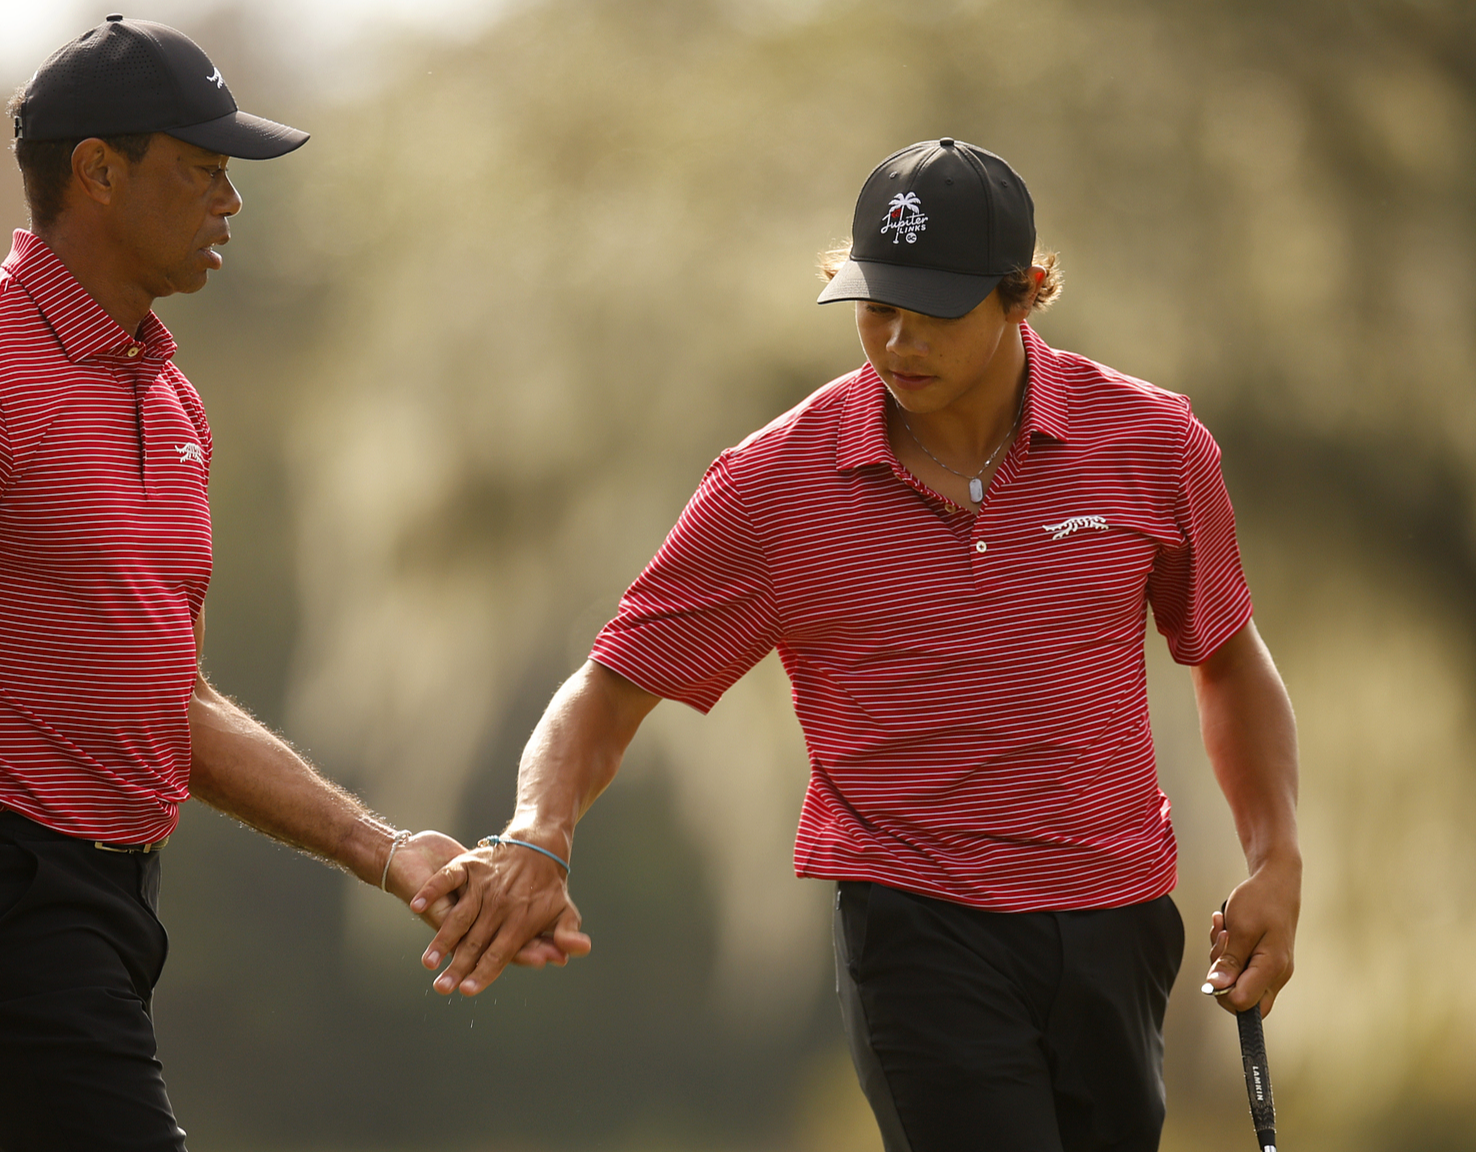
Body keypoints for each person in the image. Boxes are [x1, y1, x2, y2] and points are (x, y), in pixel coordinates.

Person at [411, 138, 1300, 1151]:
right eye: (875, 306)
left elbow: (1226, 655)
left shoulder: (1148, 443)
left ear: (1024, 294)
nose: (896, 341)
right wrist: (537, 833)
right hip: (919, 928)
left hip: (1115, 921)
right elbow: (606, 694)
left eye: (933, 311)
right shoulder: (774, 484)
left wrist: (1274, 856)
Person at [0, 16, 495, 1150]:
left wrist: (379, 851)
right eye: (200, 171)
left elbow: (165, 700)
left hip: (97, 918)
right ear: (97, 171)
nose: (229, 202)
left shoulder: (168, 400)